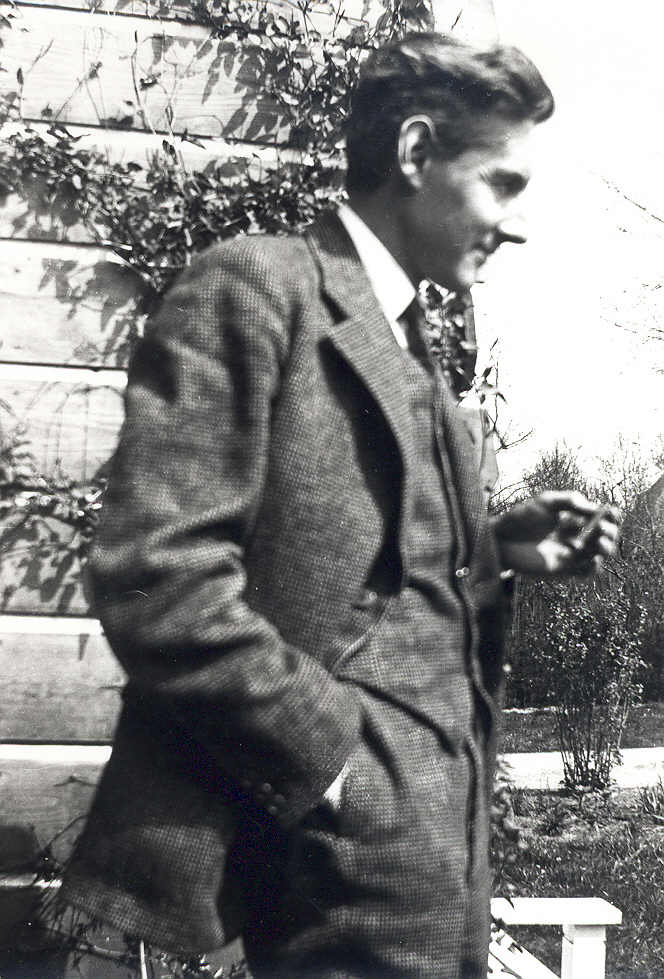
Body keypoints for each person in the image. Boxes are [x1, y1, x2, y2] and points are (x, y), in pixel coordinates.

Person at [55, 31, 619, 979]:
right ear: (416, 152)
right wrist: (334, 763)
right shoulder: (257, 289)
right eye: (503, 184)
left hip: (439, 864)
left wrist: (494, 549)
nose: (517, 224)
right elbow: (158, 576)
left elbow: (387, 580)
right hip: (323, 866)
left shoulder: (414, 343)